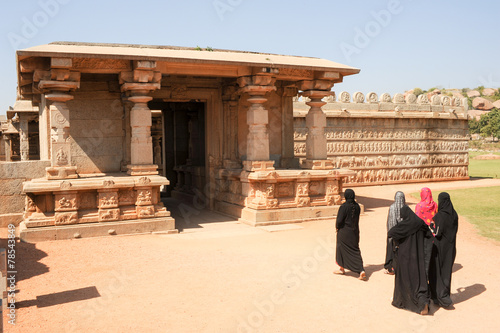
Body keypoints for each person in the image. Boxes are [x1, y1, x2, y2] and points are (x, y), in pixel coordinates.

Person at [388, 206, 433, 315]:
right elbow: (429, 234)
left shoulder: (404, 225)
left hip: (405, 256)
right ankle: (423, 302)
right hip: (418, 256)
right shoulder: (419, 222)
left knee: (405, 278)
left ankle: (403, 300)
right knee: (418, 279)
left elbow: (391, 233)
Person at [428, 192, 459, 308]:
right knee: (446, 271)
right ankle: (445, 295)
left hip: (439, 248)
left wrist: (431, 226)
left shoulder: (440, 216)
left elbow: (437, 233)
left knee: (436, 270)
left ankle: (437, 297)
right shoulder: (454, 214)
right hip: (450, 248)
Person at [334, 189, 367, 281]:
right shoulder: (357, 207)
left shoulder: (344, 207)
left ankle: (357, 269)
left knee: (341, 248)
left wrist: (337, 227)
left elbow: (339, 220)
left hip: (344, 232)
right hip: (355, 231)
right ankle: (360, 270)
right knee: (355, 249)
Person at [384, 191, 408, 275]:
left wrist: (391, 232)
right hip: (403, 233)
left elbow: (391, 221)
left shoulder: (392, 207)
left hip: (393, 232)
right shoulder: (406, 207)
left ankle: (390, 267)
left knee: (391, 250)